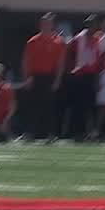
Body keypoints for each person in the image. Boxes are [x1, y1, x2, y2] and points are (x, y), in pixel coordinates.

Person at [22, 12, 65, 141]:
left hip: (49, 76)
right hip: (35, 76)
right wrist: (27, 77)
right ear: (40, 24)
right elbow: (26, 61)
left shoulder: (58, 42)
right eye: (44, 23)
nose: (46, 25)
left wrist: (57, 80)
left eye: (49, 23)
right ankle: (30, 133)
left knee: (49, 106)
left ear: (52, 25)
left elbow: (60, 63)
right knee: (34, 106)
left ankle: (50, 134)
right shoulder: (33, 41)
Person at [64, 14, 102, 141]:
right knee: (78, 106)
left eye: (93, 24)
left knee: (92, 106)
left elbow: (99, 60)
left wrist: (98, 77)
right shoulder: (78, 38)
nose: (91, 27)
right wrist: (71, 71)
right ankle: (77, 132)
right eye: (89, 24)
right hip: (79, 76)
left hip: (92, 76)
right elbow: (69, 55)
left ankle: (91, 132)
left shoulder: (98, 39)